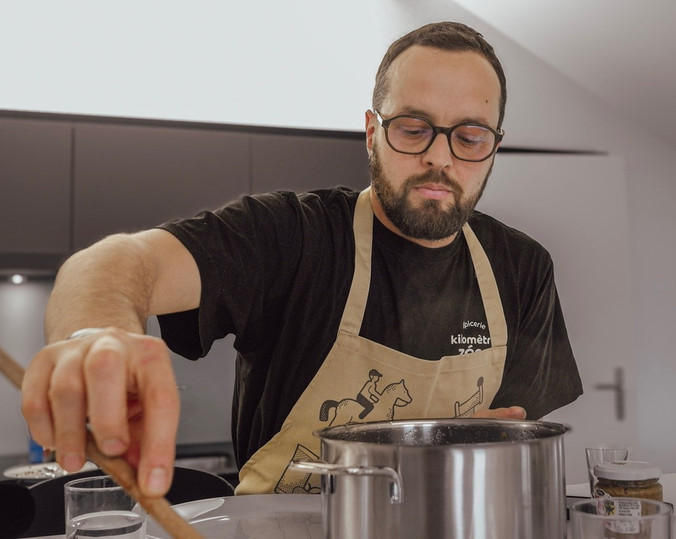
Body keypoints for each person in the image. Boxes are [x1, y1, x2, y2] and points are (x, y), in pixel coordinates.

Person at [21, 21, 582, 497]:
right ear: (371, 133)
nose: (439, 156)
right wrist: (94, 330)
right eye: (413, 128)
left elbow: (513, 444)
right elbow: (119, 260)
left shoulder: (522, 268)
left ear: (493, 147)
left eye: (470, 136)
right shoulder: (293, 236)